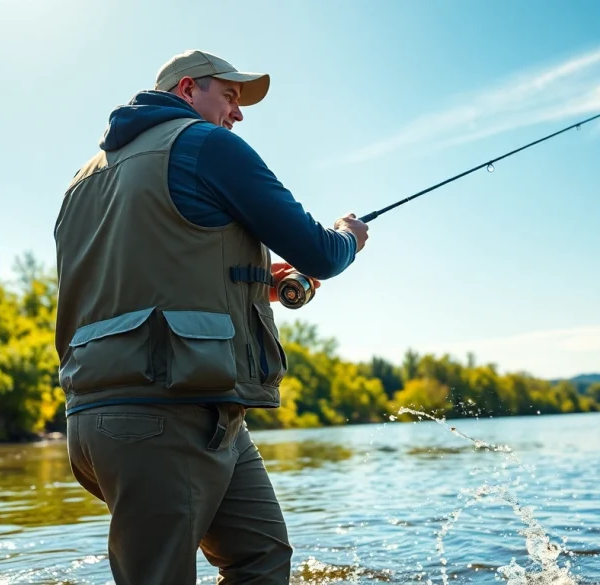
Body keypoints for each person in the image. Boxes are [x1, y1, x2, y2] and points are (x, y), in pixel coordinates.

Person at [52, 49, 369, 585]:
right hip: (162, 415)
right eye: (229, 95)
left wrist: (254, 284)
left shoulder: (81, 181)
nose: (237, 113)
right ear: (186, 90)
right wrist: (347, 237)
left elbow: (137, 275)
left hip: (124, 416)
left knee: (262, 560)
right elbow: (319, 253)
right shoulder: (206, 146)